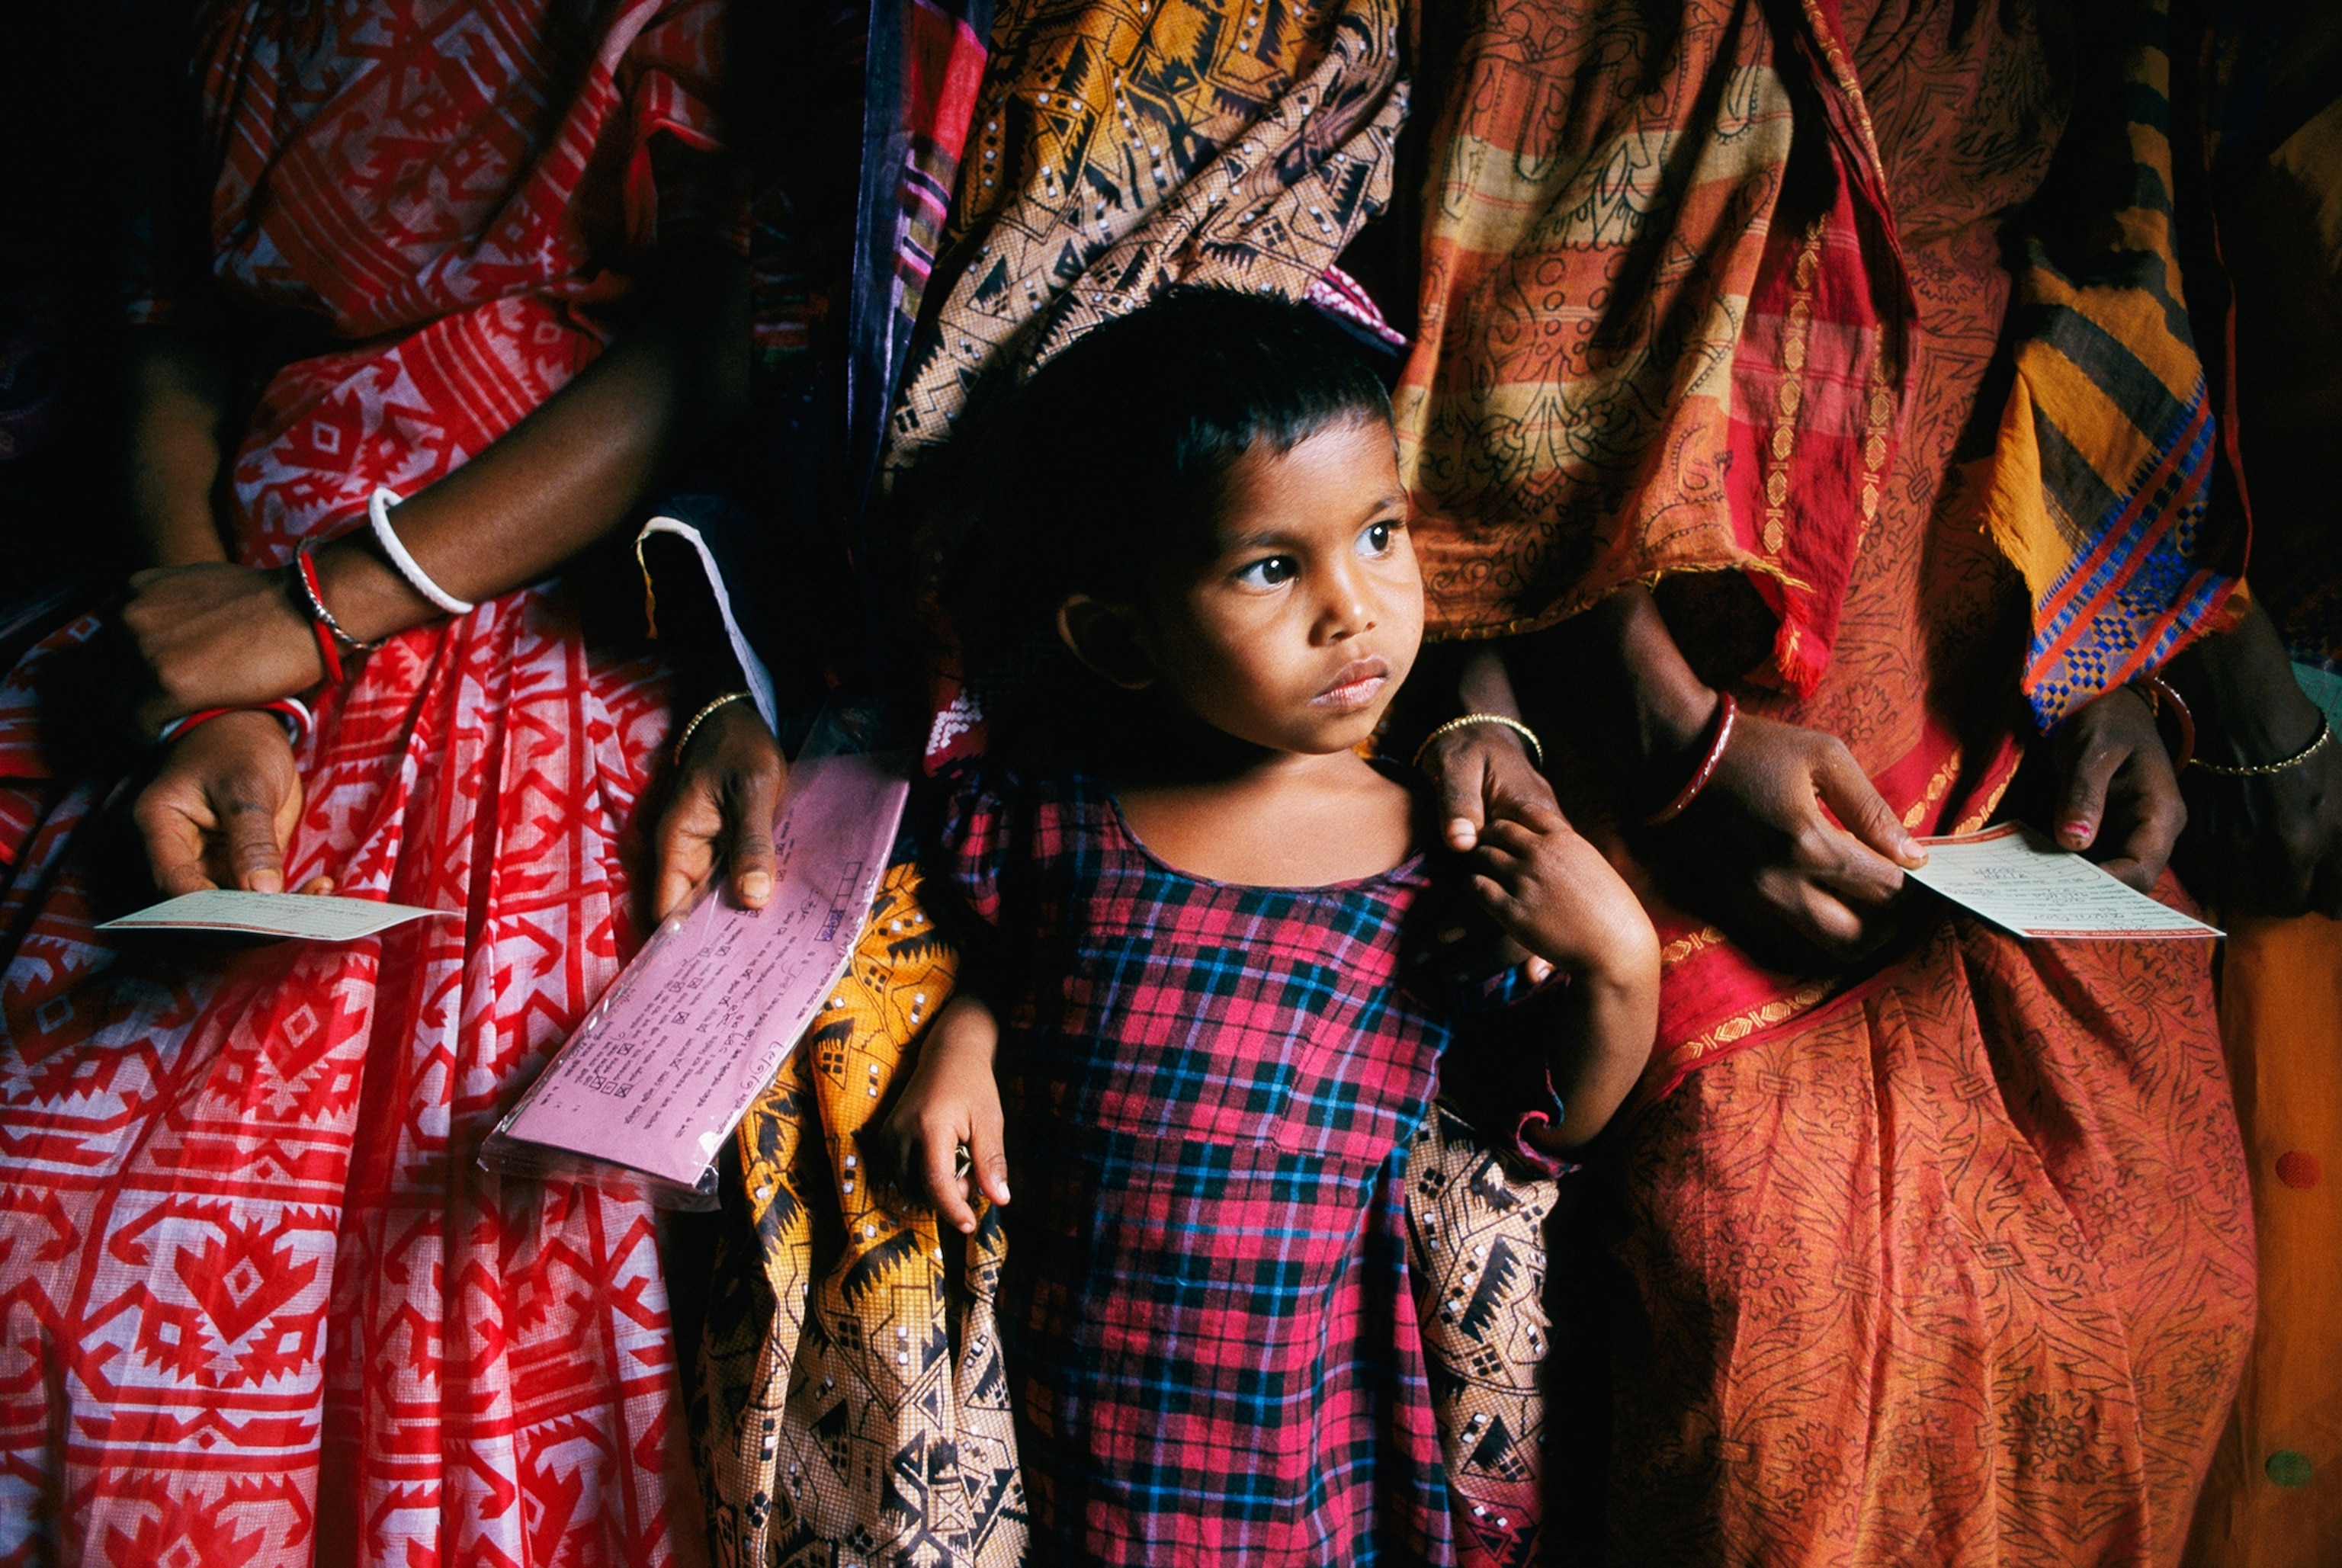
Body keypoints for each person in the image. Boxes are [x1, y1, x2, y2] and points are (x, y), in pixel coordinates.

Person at [1388, 0, 2259, 1561]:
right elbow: (1503, 370)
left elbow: (2090, 283)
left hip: (1996, 714)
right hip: (1668, 743)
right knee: (1777, 1366)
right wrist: (1678, 751)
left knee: (2167, 1289)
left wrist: (2115, 666)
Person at [0, 4, 743, 1560]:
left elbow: (723, 335)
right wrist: (209, 665)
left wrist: (325, 607)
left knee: (464, 1255)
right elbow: (178, 333)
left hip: (522, 569)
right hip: (232, 571)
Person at [861, 286, 1657, 1563]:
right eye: (1273, 566)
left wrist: (1624, 959)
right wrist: (963, 1045)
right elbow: (1010, 968)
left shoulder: (1437, 863)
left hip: (1299, 1469)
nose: (1354, 609)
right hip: (1065, 1446)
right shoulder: (1056, 817)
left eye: (1382, 534)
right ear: (1122, 637)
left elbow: (1540, 1133)